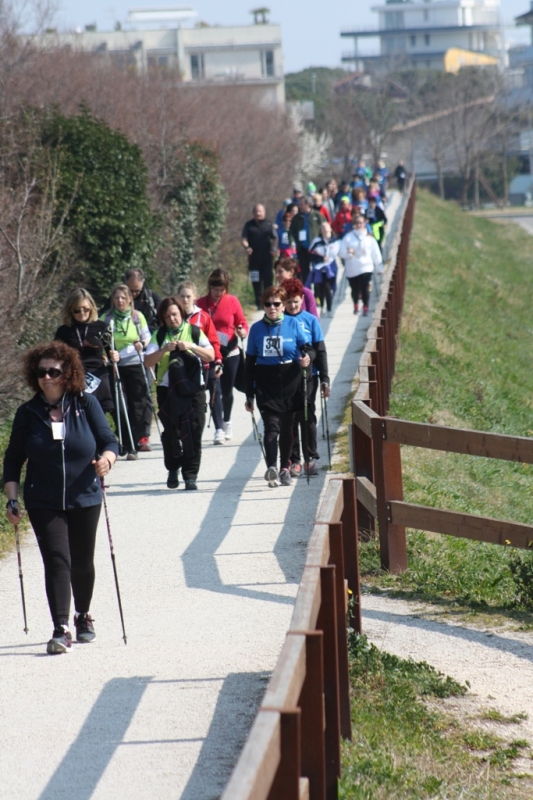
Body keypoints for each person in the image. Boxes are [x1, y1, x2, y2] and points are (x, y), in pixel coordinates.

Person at [3, 341, 118, 655]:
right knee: (57, 561)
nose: (47, 377)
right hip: (43, 500)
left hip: (86, 495)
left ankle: (83, 614)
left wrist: (108, 459)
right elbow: (13, 460)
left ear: (69, 373)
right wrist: (12, 501)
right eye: (41, 372)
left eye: (54, 371)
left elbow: (109, 440)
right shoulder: (28, 413)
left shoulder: (85, 404)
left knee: (82, 562)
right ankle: (61, 628)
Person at [244, 286, 312, 488]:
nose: (272, 308)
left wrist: (308, 358)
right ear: (263, 306)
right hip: (266, 382)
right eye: (268, 304)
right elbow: (249, 364)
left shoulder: (293, 323)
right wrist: (249, 394)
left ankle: (285, 467)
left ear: (283, 306)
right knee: (271, 427)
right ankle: (272, 467)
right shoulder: (256, 329)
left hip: (291, 379)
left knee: (287, 427)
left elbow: (307, 349)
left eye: (276, 304)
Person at [144, 297, 214, 490]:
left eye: (175, 314)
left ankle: (190, 475)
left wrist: (191, 346)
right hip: (168, 390)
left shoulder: (194, 331)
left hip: (193, 389)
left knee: (194, 430)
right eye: (167, 316)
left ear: (181, 313)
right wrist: (165, 349)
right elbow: (148, 362)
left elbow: (211, 355)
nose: (172, 319)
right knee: (171, 432)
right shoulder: (159, 335)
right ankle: (173, 468)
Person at [282, 279, 330, 478]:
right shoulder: (280, 320)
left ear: (302, 299)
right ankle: (294, 460)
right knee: (290, 418)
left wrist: (325, 378)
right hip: (287, 378)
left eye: (295, 301)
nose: (292, 306)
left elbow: (320, 350)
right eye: (288, 302)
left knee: (308, 416)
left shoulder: (310, 320)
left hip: (309, 377)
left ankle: (311, 457)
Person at [197, 269, 249, 445]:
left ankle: (227, 421)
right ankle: (218, 428)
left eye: (222, 289)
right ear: (209, 287)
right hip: (209, 352)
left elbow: (242, 323)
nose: (219, 293)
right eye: (215, 289)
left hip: (230, 351)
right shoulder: (200, 304)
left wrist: (242, 330)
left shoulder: (232, 301)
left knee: (227, 392)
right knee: (214, 389)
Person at [101, 284, 151, 458]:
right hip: (114, 366)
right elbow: (100, 342)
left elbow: (147, 337)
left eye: (123, 297)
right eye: (117, 298)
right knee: (118, 405)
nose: (120, 301)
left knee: (138, 405)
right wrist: (107, 354)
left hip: (135, 364)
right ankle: (125, 440)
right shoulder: (106, 318)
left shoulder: (137, 317)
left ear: (130, 299)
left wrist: (142, 344)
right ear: (112, 300)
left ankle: (133, 443)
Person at [54, 288, 115, 415]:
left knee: (98, 412)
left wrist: (115, 356)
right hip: (74, 373)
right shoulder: (63, 331)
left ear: (92, 308)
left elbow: (112, 352)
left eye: (85, 309)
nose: (82, 313)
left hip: (97, 373)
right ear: (70, 310)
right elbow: (56, 356)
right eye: (77, 310)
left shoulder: (102, 327)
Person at [177, 281, 224, 440]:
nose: (185, 300)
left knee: (214, 393)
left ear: (195, 297)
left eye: (188, 296)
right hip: (184, 366)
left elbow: (214, 341)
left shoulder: (203, 316)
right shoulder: (174, 317)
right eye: (182, 296)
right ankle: (187, 429)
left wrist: (218, 361)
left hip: (205, 363)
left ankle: (219, 428)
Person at [339, 213, 383, 316]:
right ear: (354, 224)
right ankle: (355, 305)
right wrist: (349, 253)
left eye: (361, 223)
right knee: (355, 289)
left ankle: (366, 307)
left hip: (366, 267)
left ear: (364, 224)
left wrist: (379, 267)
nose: (359, 225)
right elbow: (341, 253)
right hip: (352, 268)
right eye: (357, 223)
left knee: (365, 287)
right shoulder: (348, 238)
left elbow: (376, 253)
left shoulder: (369, 238)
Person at [100, 268, 162, 334]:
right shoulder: (115, 299)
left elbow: (163, 323)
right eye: (130, 290)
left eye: (137, 291)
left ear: (143, 282)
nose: (133, 294)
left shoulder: (152, 299)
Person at [242, 204, 277, 310]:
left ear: (264, 212)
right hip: (254, 260)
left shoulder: (269, 224)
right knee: (256, 282)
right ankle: (258, 303)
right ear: (253, 213)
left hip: (267, 258)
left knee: (268, 280)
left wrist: (274, 248)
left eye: (260, 211)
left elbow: (275, 238)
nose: (258, 213)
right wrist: (247, 247)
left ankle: (268, 301)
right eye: (256, 211)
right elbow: (244, 239)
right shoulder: (248, 225)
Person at [289, 196, 325, 284]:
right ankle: (306, 294)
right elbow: (291, 232)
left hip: (316, 250)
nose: (299, 206)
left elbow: (326, 228)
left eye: (301, 204)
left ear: (308, 204)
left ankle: (317, 295)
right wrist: (293, 242)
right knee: (305, 274)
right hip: (302, 250)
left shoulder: (318, 215)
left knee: (317, 272)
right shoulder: (296, 218)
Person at [308, 222, 340, 316]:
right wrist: (321, 258)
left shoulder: (335, 241)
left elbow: (341, 252)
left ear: (330, 228)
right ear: (320, 230)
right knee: (323, 287)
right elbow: (310, 254)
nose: (325, 229)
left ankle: (329, 308)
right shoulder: (316, 241)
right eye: (323, 228)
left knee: (330, 287)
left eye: (327, 227)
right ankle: (324, 307)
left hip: (332, 267)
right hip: (320, 267)